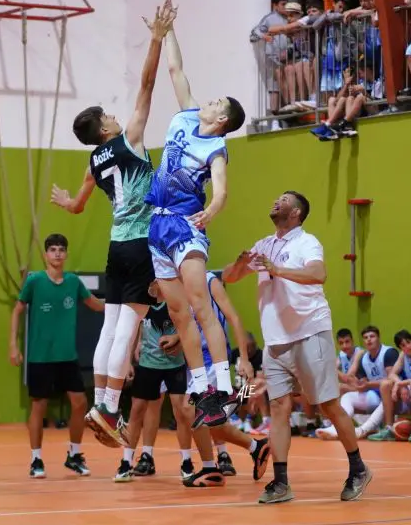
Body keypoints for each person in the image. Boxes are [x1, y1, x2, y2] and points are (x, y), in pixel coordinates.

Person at [52, 0, 176, 447]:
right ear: (105, 130)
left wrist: (67, 203)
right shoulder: (129, 140)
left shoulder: (94, 161)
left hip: (116, 246)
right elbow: (147, 84)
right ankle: (107, 407)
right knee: (128, 328)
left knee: (110, 326)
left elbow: (79, 204)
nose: (115, 116)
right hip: (141, 243)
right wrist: (156, 38)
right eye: (108, 116)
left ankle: (102, 405)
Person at [221, 191, 370, 505]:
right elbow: (231, 278)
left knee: (328, 405)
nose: (277, 200)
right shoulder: (264, 245)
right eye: (277, 197)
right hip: (275, 341)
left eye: (285, 199)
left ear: (297, 212)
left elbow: (318, 274)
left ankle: (358, 469)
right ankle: (281, 482)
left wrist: (277, 270)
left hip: (309, 332)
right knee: (278, 408)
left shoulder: (307, 242)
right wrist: (240, 263)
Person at [145, 14, 248, 427]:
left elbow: (221, 190)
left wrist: (214, 210)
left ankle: (223, 386)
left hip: (186, 224)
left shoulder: (216, 148)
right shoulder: (186, 116)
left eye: (216, 103)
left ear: (221, 119)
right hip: (157, 225)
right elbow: (175, 69)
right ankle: (201, 386)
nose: (209, 100)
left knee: (200, 304)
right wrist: (168, 29)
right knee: (178, 312)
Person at [9, 233, 105, 478]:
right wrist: (13, 345)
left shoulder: (73, 282)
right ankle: (36, 459)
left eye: (61, 249)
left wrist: (122, 303)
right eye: (52, 249)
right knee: (39, 407)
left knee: (80, 403)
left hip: (67, 356)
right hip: (40, 357)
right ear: (46, 255)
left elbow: (95, 304)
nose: (57, 253)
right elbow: (17, 310)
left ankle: (74, 455)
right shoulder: (35, 281)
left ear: (66, 254)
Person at [184, 272, 271, 487]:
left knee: (192, 410)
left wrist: (244, 358)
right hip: (194, 360)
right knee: (212, 421)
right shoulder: (177, 283)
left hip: (214, 358)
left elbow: (234, 318)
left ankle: (210, 469)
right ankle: (256, 447)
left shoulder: (209, 280)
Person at [115, 280, 194, 482]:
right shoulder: (142, 302)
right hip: (148, 365)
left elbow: (189, 325)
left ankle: (187, 461)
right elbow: (132, 331)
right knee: (136, 411)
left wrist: (177, 339)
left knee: (181, 411)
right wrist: (128, 361)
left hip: (174, 365)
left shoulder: (176, 299)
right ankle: (126, 462)